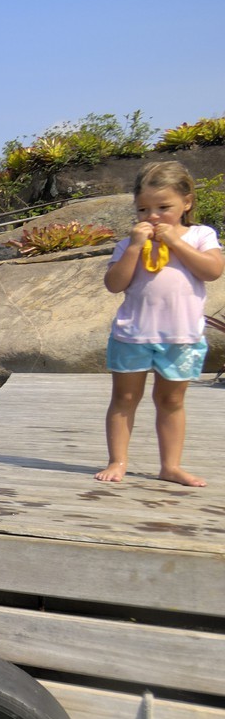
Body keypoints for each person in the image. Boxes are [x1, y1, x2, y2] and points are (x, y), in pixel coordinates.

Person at [96, 161, 223, 487]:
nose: (153, 216)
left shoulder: (200, 235)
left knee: (171, 400)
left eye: (163, 207)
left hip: (181, 336)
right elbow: (115, 284)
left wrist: (177, 243)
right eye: (143, 209)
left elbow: (212, 270)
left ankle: (171, 466)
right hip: (132, 334)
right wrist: (135, 247)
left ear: (187, 202)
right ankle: (117, 460)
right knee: (124, 399)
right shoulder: (128, 245)